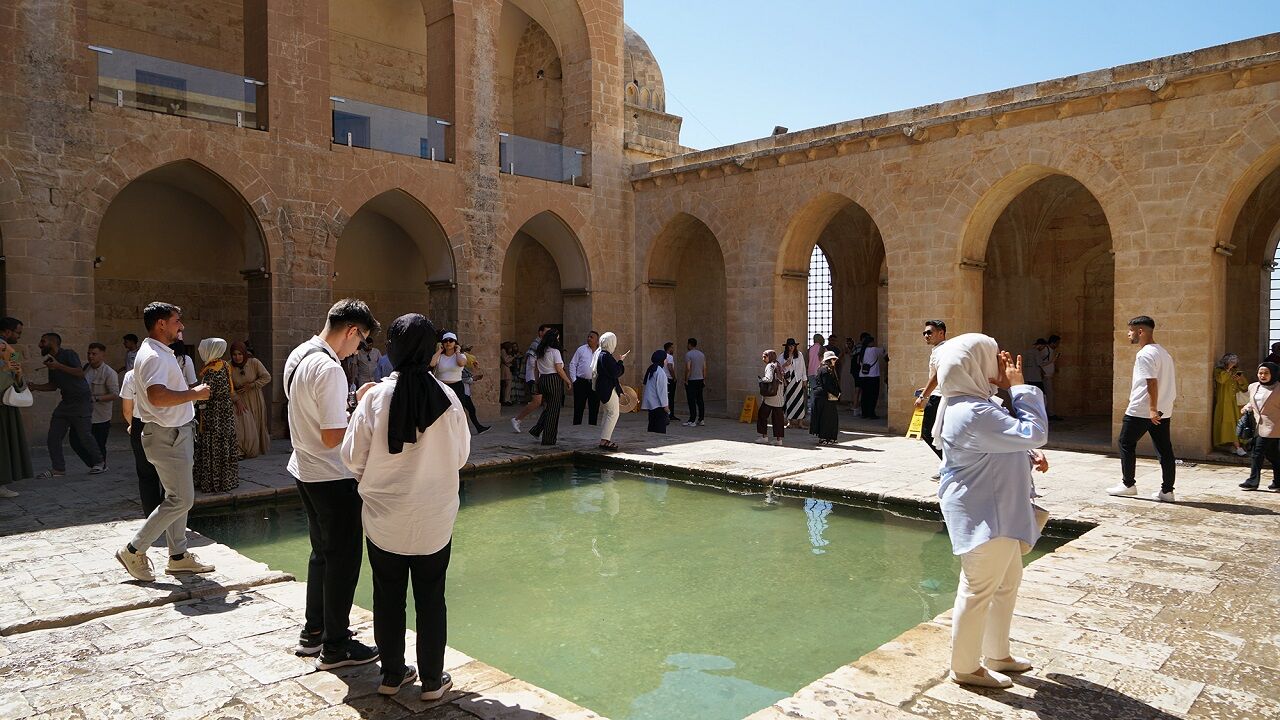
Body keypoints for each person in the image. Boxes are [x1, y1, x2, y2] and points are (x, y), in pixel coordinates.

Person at [341, 313, 470, 701]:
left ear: (393, 350)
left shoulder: (375, 398)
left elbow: (351, 458)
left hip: (385, 518)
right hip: (433, 519)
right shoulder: (447, 399)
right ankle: (432, 679)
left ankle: (392, 674)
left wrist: (382, 477)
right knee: (432, 597)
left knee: (387, 595)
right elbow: (461, 456)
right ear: (431, 351)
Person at [931, 334, 1048, 689]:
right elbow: (1035, 431)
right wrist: (1021, 387)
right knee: (978, 589)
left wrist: (1026, 452)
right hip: (987, 515)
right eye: (991, 358)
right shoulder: (973, 409)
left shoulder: (972, 402)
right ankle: (965, 666)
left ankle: (997, 653)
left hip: (999, 511)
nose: (1000, 363)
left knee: (1007, 583)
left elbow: (1002, 442)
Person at [283, 298, 381, 667]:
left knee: (321, 554)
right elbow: (331, 435)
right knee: (343, 560)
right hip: (331, 475)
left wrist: (351, 399)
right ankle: (336, 645)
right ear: (352, 330)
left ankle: (314, 633)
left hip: (304, 469)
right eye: (361, 341)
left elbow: (307, 411)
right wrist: (362, 406)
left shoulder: (299, 355)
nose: (358, 349)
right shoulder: (329, 368)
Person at [115, 302, 215, 582]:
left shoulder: (158, 353)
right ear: (161, 324)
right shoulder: (154, 356)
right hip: (167, 435)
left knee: (176, 497)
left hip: (173, 433)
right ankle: (133, 549)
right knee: (182, 499)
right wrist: (194, 394)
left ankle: (179, 557)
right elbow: (158, 396)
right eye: (176, 321)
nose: (181, 326)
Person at [1107, 316, 1178, 502]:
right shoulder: (1164, 353)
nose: (1128, 334)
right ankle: (1167, 491)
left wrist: (1152, 409)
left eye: (1130, 330)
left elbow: (1151, 382)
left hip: (1142, 409)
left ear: (1141, 332)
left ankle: (1128, 484)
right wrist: (1159, 408)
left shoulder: (1145, 354)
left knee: (1125, 442)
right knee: (1164, 449)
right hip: (1163, 409)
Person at [29, 332, 105, 477]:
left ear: (53, 342)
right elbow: (53, 385)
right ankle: (58, 469)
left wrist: (58, 366)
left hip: (81, 401)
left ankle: (100, 463)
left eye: (43, 341)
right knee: (53, 437)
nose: (40, 345)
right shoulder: (51, 361)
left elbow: (79, 373)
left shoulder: (68, 354)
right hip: (66, 403)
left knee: (85, 436)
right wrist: (35, 387)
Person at [193, 338, 240, 493]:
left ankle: (213, 482)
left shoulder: (212, 370)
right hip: (225, 412)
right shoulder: (224, 365)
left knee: (213, 444)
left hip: (214, 415)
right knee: (224, 443)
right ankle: (227, 480)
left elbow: (208, 394)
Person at [119, 367, 162, 515]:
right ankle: (169, 517)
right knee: (168, 473)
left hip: (140, 422)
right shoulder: (162, 370)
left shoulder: (131, 375)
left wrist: (133, 426)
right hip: (163, 422)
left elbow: (126, 409)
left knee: (146, 474)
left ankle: (151, 517)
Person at [70, 342, 120, 468]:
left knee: (99, 442)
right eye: (89, 353)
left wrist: (96, 398)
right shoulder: (86, 368)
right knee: (75, 440)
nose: (91, 356)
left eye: (94, 354)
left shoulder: (109, 373)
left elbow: (115, 394)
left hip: (100, 415)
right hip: (84, 413)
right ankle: (94, 463)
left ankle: (101, 465)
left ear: (102, 355)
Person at [430, 332, 489, 435]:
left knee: (459, 410)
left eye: (451, 340)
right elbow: (432, 363)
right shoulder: (440, 356)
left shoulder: (461, 356)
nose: (448, 343)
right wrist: (439, 350)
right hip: (442, 386)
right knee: (443, 411)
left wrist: (457, 351)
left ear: (455, 343)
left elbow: (461, 363)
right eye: (445, 341)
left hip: (456, 386)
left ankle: (461, 432)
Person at [1239, 362, 1280, 491]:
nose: (1262, 375)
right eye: (1260, 373)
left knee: (1257, 453)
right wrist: (1247, 407)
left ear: (1273, 374)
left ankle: (1252, 481)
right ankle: (1278, 482)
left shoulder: (1278, 388)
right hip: (1257, 426)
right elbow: (1253, 402)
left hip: (1274, 427)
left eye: (1266, 373)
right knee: (1273, 456)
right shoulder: (1253, 386)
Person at [528, 328, 572, 446]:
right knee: (554, 411)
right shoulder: (555, 352)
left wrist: (537, 383)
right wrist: (567, 381)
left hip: (543, 380)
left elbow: (536, 369)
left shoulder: (540, 351)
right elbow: (559, 369)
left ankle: (537, 430)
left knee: (549, 408)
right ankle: (548, 439)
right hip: (553, 380)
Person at [0, 336, 32, 496]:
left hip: (6, 411)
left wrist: (18, 373)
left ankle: (2, 485)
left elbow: (18, 383)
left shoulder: (8, 357)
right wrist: (4, 370)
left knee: (5, 449)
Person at [228, 342, 272, 459]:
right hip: (239, 400)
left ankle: (253, 449)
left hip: (254, 398)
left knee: (255, 423)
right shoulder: (229, 366)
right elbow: (228, 386)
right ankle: (241, 451)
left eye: (240, 354)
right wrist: (236, 400)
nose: (237, 357)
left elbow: (266, 377)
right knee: (242, 426)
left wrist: (252, 385)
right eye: (234, 354)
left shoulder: (254, 363)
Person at [915, 320, 948, 466]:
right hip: (941, 395)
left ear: (941, 333)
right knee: (941, 434)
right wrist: (927, 388)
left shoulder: (941, 350)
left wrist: (923, 396)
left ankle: (949, 464)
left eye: (930, 332)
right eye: (924, 333)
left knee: (927, 431)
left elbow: (937, 376)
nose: (926, 335)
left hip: (939, 398)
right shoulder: (940, 349)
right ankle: (949, 465)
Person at [512, 324, 551, 433]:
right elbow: (532, 362)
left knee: (547, 402)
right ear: (540, 332)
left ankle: (544, 424)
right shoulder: (536, 345)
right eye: (546, 332)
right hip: (533, 377)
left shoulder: (544, 345)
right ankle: (517, 419)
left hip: (541, 376)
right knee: (537, 402)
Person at [592, 332, 627, 449]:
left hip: (602, 387)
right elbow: (616, 372)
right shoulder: (606, 356)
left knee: (608, 412)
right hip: (607, 387)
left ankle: (605, 438)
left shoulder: (600, 354)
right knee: (613, 413)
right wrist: (621, 361)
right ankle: (604, 441)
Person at [1213, 353, 1249, 457]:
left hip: (1236, 403)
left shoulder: (1236, 372)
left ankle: (1236, 445)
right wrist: (1228, 370)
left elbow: (1245, 386)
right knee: (1229, 424)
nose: (1233, 363)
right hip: (1225, 403)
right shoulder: (1219, 371)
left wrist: (1240, 380)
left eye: (1235, 361)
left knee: (1238, 424)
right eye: (1231, 361)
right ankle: (1237, 447)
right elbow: (1221, 380)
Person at [569, 331, 600, 426]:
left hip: (595, 382)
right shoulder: (581, 350)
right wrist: (574, 380)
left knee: (594, 406)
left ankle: (592, 426)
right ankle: (577, 425)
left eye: (591, 337)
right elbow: (572, 364)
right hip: (581, 382)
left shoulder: (601, 352)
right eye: (588, 337)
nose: (589, 339)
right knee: (579, 405)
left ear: (597, 340)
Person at [810, 351, 841, 445]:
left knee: (832, 417)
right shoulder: (825, 370)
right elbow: (826, 384)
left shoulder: (830, 369)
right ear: (829, 360)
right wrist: (837, 393)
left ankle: (831, 437)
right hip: (823, 397)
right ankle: (824, 437)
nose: (835, 361)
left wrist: (838, 392)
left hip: (827, 397)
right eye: (833, 359)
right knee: (825, 418)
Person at [756, 349, 785, 445]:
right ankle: (778, 439)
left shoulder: (770, 366)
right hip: (779, 396)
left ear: (770, 356)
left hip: (770, 397)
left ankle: (764, 437)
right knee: (778, 419)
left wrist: (761, 380)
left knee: (762, 415)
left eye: (765, 356)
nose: (763, 358)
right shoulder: (778, 364)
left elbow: (769, 379)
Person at [856, 335, 885, 420]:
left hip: (863, 376)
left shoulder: (862, 351)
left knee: (864, 395)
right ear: (870, 342)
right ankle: (871, 413)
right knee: (873, 396)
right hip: (873, 376)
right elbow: (883, 350)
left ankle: (864, 413)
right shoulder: (874, 350)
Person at [641, 350, 669, 434]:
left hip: (652, 405)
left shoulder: (652, 369)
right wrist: (665, 406)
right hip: (658, 405)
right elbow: (662, 391)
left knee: (652, 428)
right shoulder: (660, 372)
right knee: (659, 430)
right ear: (663, 360)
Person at [781, 338, 807, 429]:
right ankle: (789, 422)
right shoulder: (782, 356)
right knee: (789, 401)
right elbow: (778, 367)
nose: (791, 347)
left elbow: (803, 367)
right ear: (787, 346)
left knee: (799, 401)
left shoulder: (799, 355)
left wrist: (804, 380)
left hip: (797, 380)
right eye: (790, 346)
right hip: (788, 381)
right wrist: (786, 364)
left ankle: (800, 422)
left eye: (793, 346)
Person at [682, 338, 707, 427]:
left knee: (691, 400)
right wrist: (704, 379)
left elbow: (688, 368)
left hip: (692, 380)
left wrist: (686, 379)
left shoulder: (688, 354)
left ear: (689, 344)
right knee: (700, 400)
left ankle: (692, 420)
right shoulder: (701, 354)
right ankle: (701, 419)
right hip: (700, 379)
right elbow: (704, 368)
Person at [1043, 335, 1063, 421]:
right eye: (1057, 343)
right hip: (1045, 376)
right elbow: (1041, 362)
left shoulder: (1050, 350)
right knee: (1048, 395)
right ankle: (1050, 414)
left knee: (1049, 395)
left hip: (1048, 376)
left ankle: (1049, 413)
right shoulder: (1046, 350)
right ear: (1053, 342)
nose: (1058, 345)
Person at [807, 334, 825, 422]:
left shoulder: (810, 349)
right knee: (820, 392)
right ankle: (819, 411)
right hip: (819, 372)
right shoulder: (822, 348)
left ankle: (812, 410)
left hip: (810, 372)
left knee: (813, 392)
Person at [663, 342, 679, 421]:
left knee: (665, 397)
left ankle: (665, 414)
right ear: (669, 348)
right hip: (669, 378)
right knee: (670, 397)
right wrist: (674, 377)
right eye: (672, 347)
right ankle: (670, 414)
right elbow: (670, 367)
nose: (673, 349)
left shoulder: (662, 356)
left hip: (663, 379)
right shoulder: (670, 357)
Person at [499, 341, 517, 405]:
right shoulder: (503, 351)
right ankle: (506, 400)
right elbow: (506, 360)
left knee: (507, 385)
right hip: (505, 369)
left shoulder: (505, 351)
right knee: (507, 385)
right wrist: (513, 357)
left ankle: (506, 399)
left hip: (507, 369)